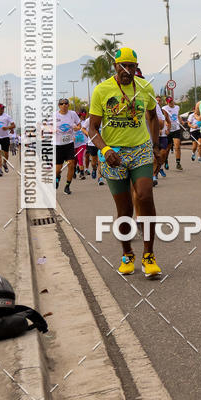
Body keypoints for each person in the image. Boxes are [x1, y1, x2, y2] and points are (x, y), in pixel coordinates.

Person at [88, 47, 161, 278]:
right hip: (113, 155)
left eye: (132, 66)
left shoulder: (144, 87)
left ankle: (149, 256)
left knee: (145, 196)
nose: (128, 70)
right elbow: (91, 128)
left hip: (140, 151)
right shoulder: (102, 90)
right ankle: (127, 253)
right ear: (115, 66)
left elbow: (152, 117)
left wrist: (156, 147)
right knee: (124, 210)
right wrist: (105, 149)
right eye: (124, 66)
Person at [54, 98, 80, 194]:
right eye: (61, 104)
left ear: (68, 105)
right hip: (58, 145)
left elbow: (78, 125)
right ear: (59, 105)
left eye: (66, 103)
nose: (64, 105)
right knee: (57, 169)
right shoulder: (54, 115)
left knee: (71, 165)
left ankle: (67, 186)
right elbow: (44, 125)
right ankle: (57, 177)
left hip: (69, 144)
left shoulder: (72, 114)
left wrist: (76, 128)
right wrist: (52, 129)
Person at [163, 96, 183, 170]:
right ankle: (166, 161)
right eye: (169, 102)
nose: (171, 103)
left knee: (177, 146)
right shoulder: (164, 108)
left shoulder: (177, 107)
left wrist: (181, 120)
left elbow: (177, 115)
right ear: (167, 102)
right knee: (167, 148)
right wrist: (166, 126)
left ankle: (178, 163)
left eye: (171, 101)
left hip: (176, 129)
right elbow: (164, 118)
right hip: (169, 130)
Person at [74, 113, 88, 180]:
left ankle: (82, 174)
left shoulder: (83, 123)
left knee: (80, 158)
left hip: (82, 144)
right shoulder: (70, 124)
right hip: (73, 145)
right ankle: (73, 171)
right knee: (74, 160)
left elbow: (86, 131)